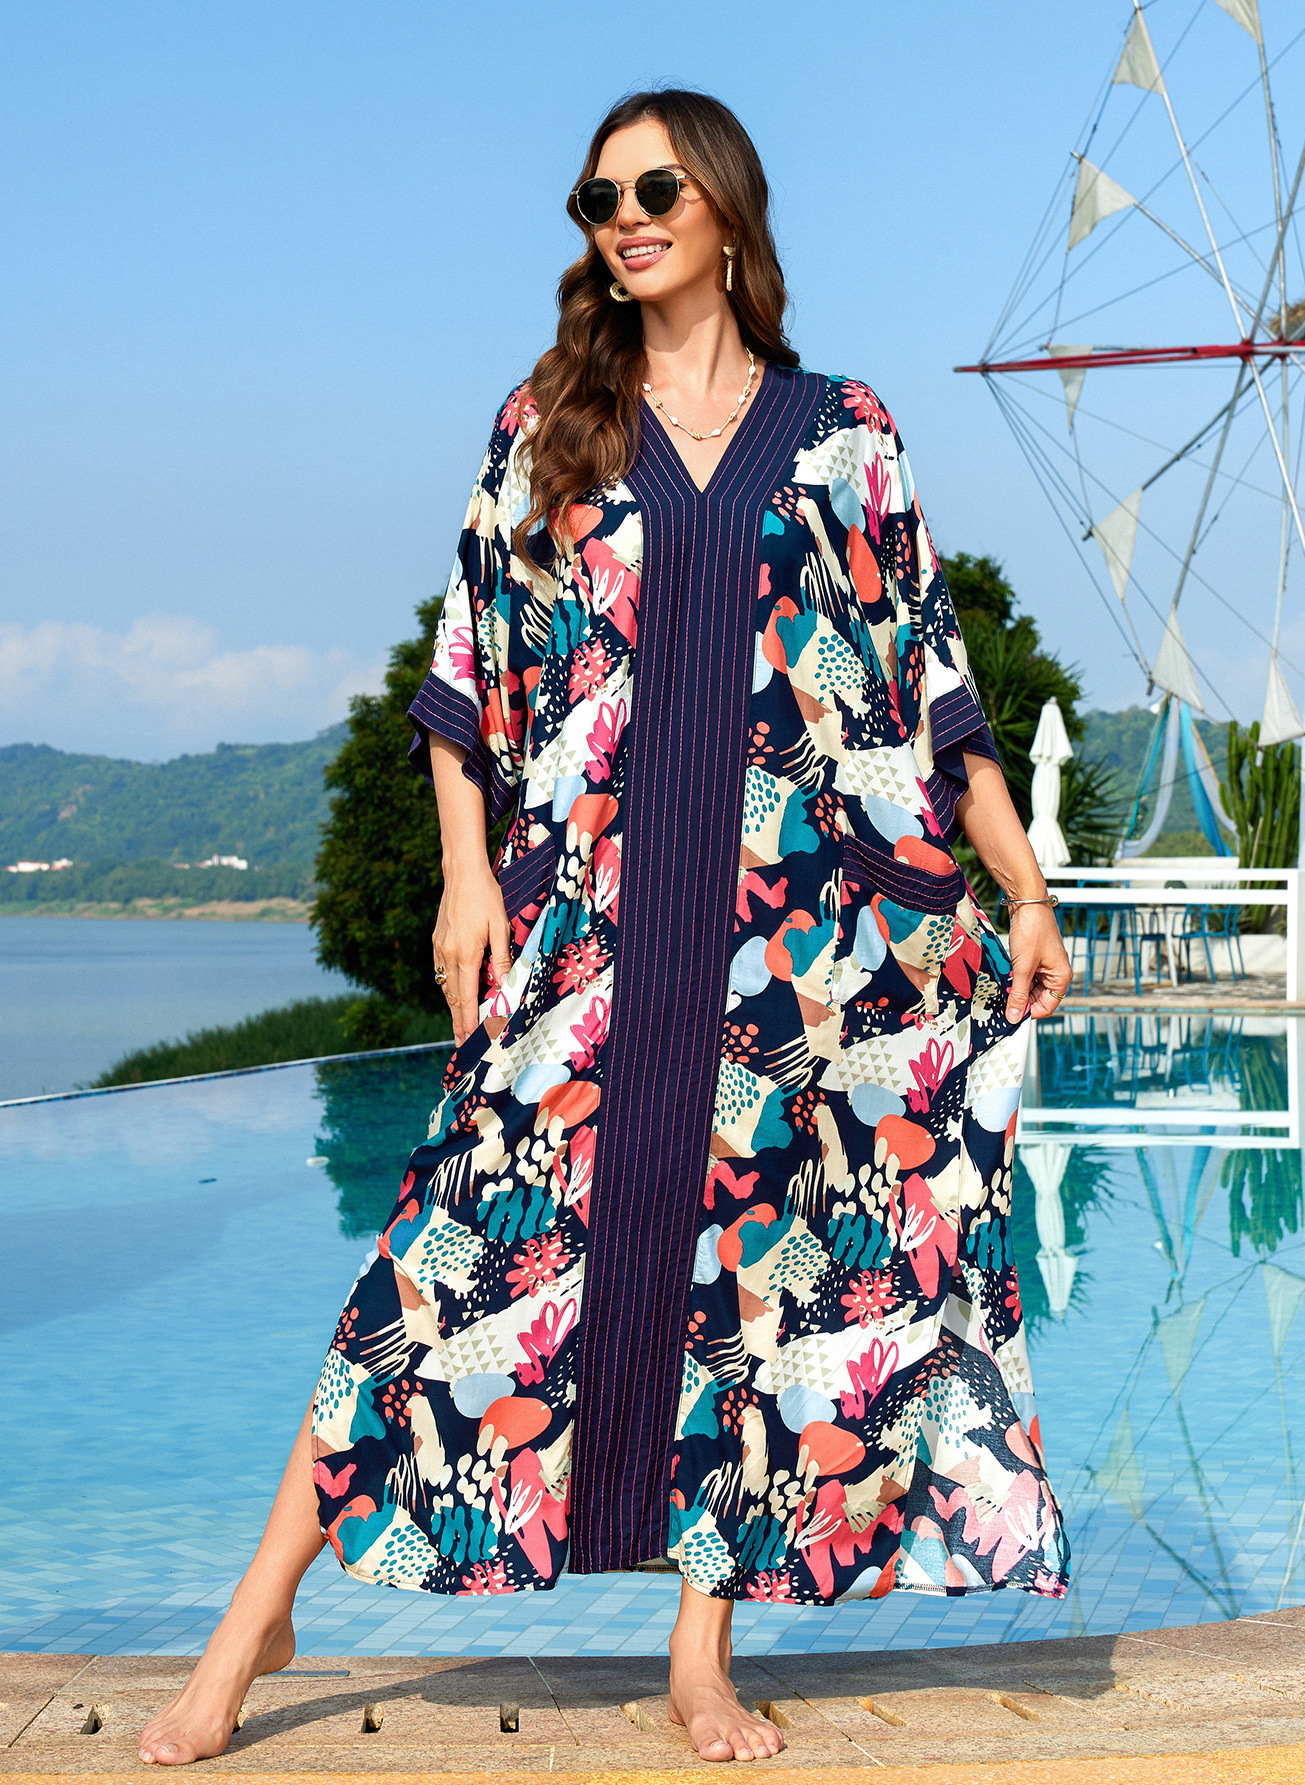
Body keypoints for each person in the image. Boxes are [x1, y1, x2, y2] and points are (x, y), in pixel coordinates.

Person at [138, 88, 1073, 1769]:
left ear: (724, 206)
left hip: (791, 950)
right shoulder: (551, 421)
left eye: (653, 188)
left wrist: (1017, 880)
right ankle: (258, 1610)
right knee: (442, 1249)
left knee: (761, 1290)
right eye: (597, 198)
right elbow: (465, 660)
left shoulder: (846, 431)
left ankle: (699, 1654)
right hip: (584, 930)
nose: (622, 218)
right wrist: (466, 873)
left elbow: (932, 681)